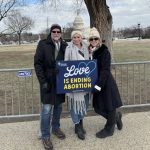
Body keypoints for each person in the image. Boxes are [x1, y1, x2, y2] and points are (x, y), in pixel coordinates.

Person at [34, 24, 67, 150]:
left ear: (61, 33)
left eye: (58, 31)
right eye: (54, 31)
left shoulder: (64, 45)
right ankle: (45, 135)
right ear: (51, 32)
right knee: (46, 110)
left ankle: (56, 127)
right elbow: (37, 63)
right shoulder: (43, 44)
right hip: (47, 82)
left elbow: (70, 61)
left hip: (60, 82)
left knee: (58, 107)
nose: (56, 33)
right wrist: (43, 82)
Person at [88, 27, 123, 138]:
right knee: (98, 108)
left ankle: (109, 129)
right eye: (91, 39)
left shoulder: (104, 52)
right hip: (96, 82)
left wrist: (98, 86)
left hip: (105, 83)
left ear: (99, 39)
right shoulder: (90, 52)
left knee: (109, 105)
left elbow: (105, 70)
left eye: (95, 38)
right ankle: (116, 118)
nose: (93, 40)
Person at [64, 30, 89, 140]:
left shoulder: (87, 48)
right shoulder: (68, 49)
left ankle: (81, 122)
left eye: (78, 37)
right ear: (72, 38)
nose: (76, 39)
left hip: (85, 81)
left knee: (84, 103)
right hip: (74, 81)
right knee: (75, 104)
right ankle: (77, 125)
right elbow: (66, 64)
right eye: (74, 37)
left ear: (81, 37)